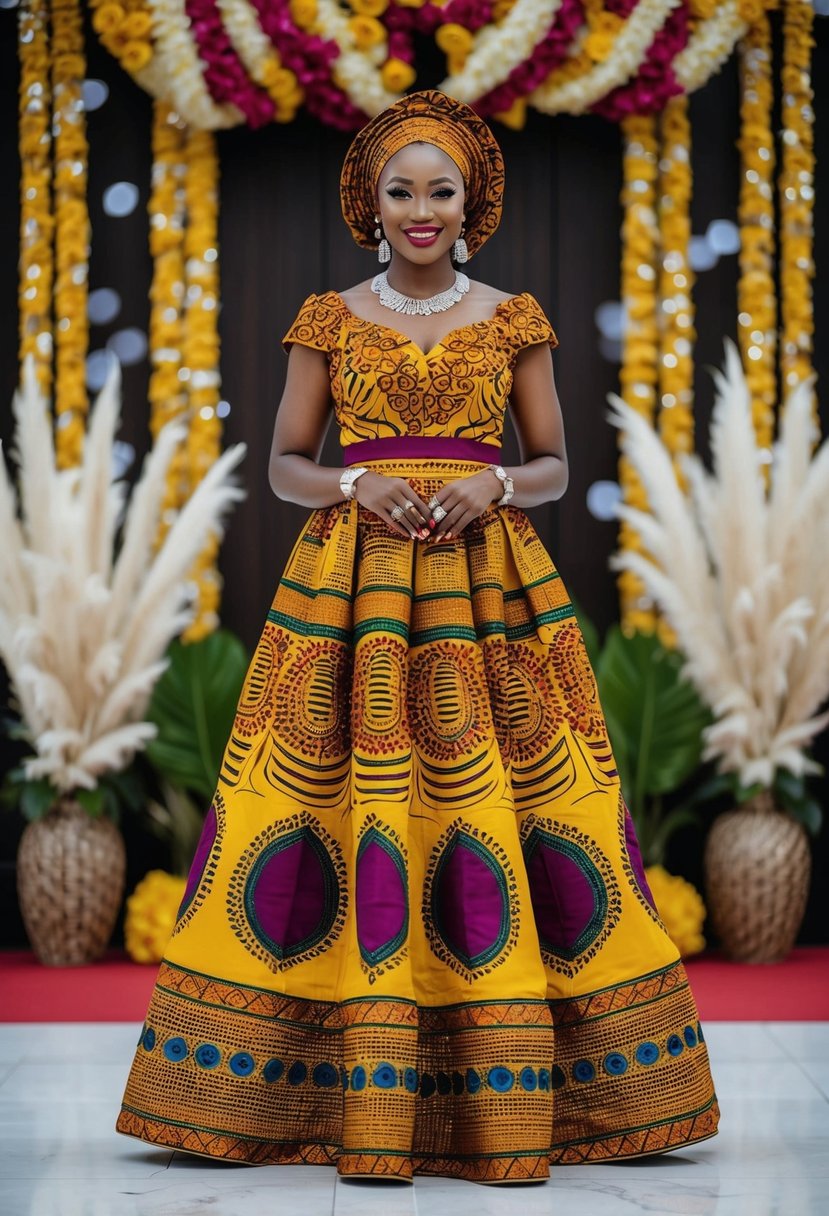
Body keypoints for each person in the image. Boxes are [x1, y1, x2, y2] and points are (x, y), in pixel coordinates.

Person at [116, 89, 719, 1185]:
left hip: (489, 589)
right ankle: (271, 1089)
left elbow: (554, 466)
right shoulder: (327, 318)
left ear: (472, 200)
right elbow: (285, 465)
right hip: (352, 592)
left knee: (531, 799)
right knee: (316, 799)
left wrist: (495, 483)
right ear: (371, 203)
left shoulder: (515, 318)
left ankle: (562, 1081)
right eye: (401, 190)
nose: (421, 209)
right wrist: (356, 476)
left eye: (440, 190)